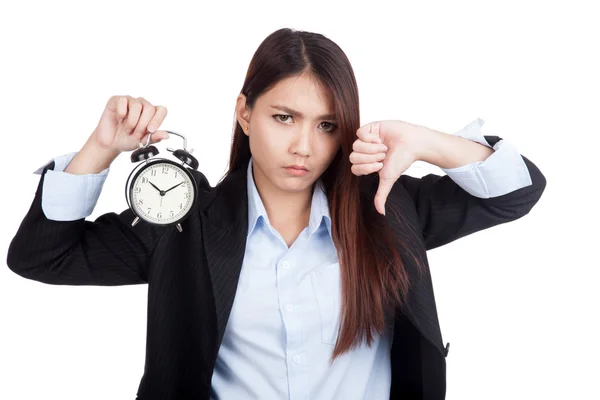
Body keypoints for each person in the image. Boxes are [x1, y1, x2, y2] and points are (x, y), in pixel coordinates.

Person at [6, 28, 546, 400]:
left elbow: (515, 191)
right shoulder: (183, 221)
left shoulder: (385, 207)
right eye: (284, 117)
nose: (304, 147)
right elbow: (41, 257)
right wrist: (100, 148)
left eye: (326, 125)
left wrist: (427, 141)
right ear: (245, 113)